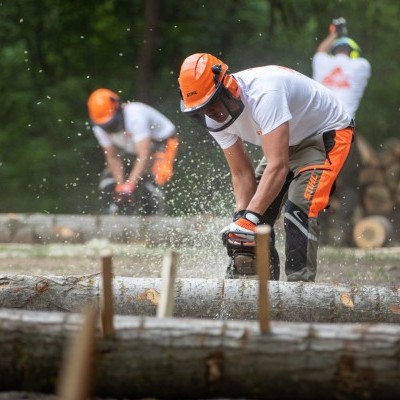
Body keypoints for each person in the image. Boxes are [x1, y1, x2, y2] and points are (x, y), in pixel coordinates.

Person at [178, 53, 354, 282]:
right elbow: (241, 174)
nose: (209, 113)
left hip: (325, 134)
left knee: (299, 206)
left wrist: (249, 218)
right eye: (200, 109)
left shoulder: (265, 93)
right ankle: (262, 287)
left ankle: (299, 289)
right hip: (286, 140)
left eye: (212, 103)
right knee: (253, 215)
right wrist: (242, 219)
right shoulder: (212, 118)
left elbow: (278, 166)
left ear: (227, 87)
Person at [312, 18, 371, 245]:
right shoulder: (362, 65)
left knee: (318, 180)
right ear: (353, 53)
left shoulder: (320, 62)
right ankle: (342, 235)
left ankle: (321, 234)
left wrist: (335, 33)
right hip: (344, 132)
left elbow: (320, 50)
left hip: (317, 131)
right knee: (350, 185)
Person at [87, 88, 179, 215]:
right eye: (106, 125)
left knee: (154, 181)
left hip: (162, 143)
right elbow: (113, 157)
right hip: (134, 148)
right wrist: (120, 184)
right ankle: (112, 217)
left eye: (111, 123)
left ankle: (156, 219)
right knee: (108, 181)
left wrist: (130, 184)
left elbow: (144, 154)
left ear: (118, 108)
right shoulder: (99, 128)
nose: (109, 128)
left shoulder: (135, 116)